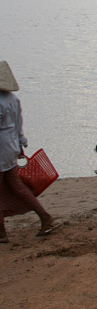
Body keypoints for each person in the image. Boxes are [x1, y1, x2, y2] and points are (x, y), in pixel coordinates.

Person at [0, 61, 58, 241]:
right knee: (17, 186)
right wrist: (19, 145)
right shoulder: (13, 100)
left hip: (1, 148)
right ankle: (44, 217)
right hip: (9, 147)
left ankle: (1, 232)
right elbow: (19, 126)